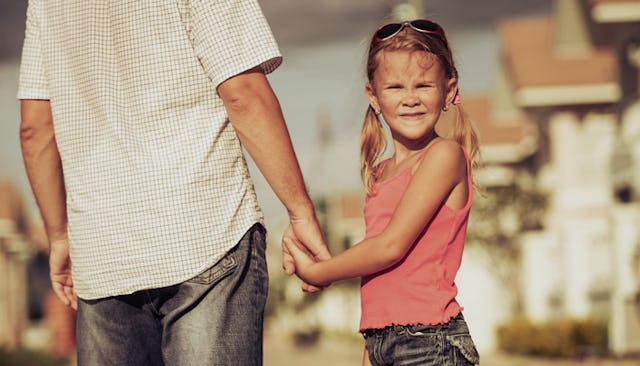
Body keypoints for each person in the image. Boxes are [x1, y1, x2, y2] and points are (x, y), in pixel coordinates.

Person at [18, 0, 329, 365]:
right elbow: (243, 90)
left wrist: (58, 236)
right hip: (207, 232)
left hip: (103, 249)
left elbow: (35, 129)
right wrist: (300, 211)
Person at [284, 19, 481, 366]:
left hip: (430, 343)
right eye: (395, 87)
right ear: (373, 95)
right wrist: (370, 351)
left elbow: (390, 247)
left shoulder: (444, 156)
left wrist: (320, 272)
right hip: (382, 341)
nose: (410, 99)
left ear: (449, 91)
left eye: (423, 85)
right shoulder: (380, 173)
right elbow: (379, 276)